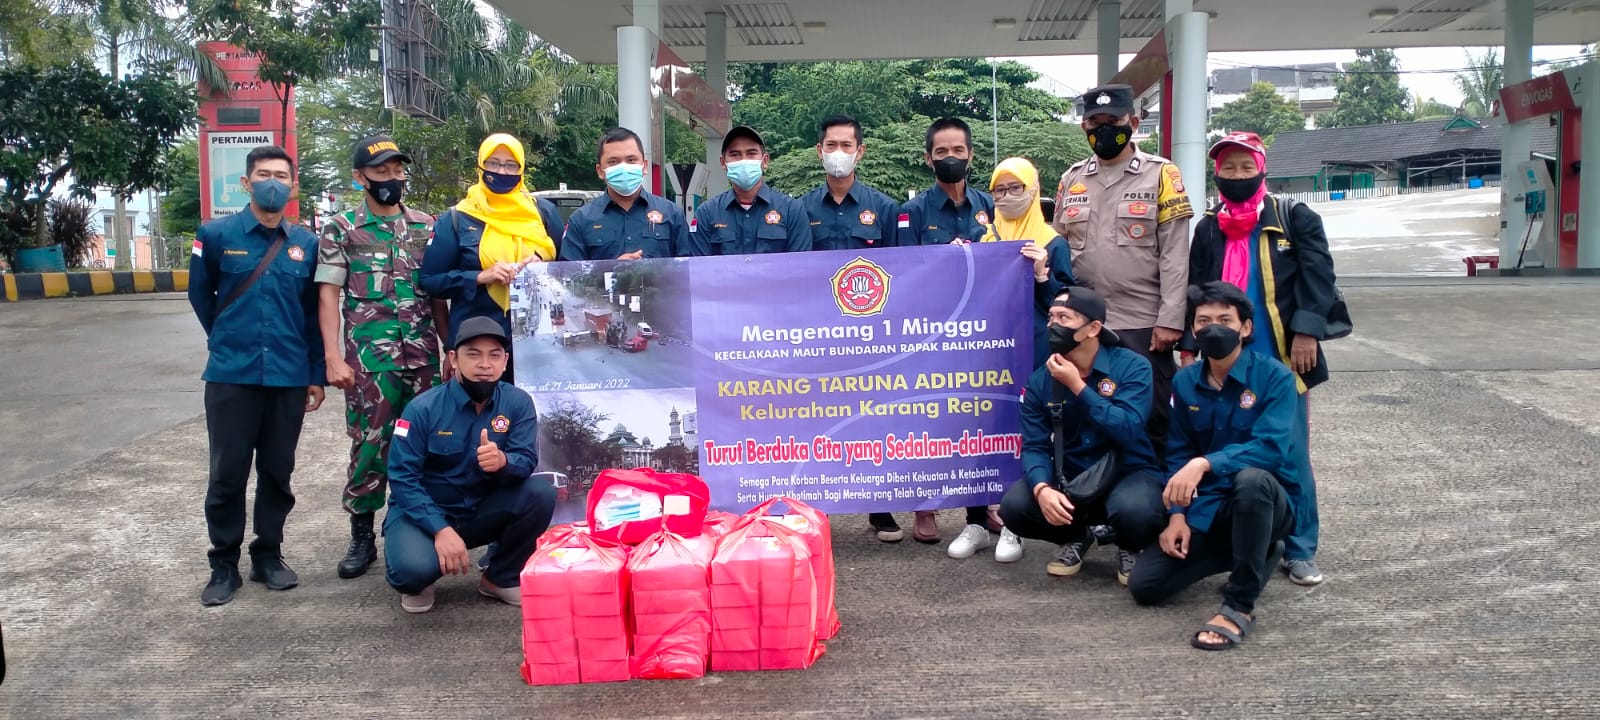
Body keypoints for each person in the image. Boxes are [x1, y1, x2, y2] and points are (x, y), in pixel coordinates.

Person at [1186, 131, 1339, 586]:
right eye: (1228, 168)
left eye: (1245, 167)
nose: (1237, 176)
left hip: (1282, 353)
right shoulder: (1208, 227)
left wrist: (1307, 333)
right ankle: (1234, 539)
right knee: (1220, 446)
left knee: (1289, 451)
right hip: (1222, 353)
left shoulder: (1295, 217)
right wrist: (1191, 345)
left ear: (1262, 169)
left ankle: (1300, 547)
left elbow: (1318, 277)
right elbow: (1196, 288)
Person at [188, 145, 327, 607]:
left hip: (288, 375)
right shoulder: (214, 234)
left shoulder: (306, 244)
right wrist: (227, 337)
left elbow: (311, 314)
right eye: (263, 174)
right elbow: (201, 296)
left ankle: (268, 554)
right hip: (232, 375)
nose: (273, 182)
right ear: (246, 183)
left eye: (281, 176)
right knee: (227, 473)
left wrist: (315, 374)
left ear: (293, 185)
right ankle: (223, 563)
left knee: (277, 472)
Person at [1128, 281, 1301, 651]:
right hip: (1211, 506)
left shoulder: (1275, 378)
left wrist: (1205, 463)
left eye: (1225, 320)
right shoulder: (1185, 381)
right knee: (1146, 587)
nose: (1213, 328)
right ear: (1193, 329)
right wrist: (1177, 516)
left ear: (1246, 327)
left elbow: (1271, 449)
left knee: (1252, 481)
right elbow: (1177, 452)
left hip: (1266, 502)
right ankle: (1257, 552)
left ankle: (1239, 605)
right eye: (1203, 321)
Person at [315, 135, 450, 580]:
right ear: (360, 177)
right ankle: (362, 536)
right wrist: (332, 358)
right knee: (370, 447)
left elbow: (436, 296)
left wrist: (449, 347)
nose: (392, 178)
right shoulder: (341, 228)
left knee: (431, 445)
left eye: (397, 170)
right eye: (381, 171)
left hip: (423, 358)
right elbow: (328, 295)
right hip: (371, 363)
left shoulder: (426, 226)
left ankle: (422, 528)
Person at [382, 316, 556, 613]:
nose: (484, 364)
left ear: (505, 361)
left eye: (494, 355)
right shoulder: (422, 408)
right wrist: (440, 529)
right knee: (411, 572)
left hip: (479, 510)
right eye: (473, 354)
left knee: (541, 494)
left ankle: (500, 578)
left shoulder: (517, 403)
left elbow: (526, 460)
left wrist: (503, 461)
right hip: (425, 513)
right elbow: (402, 477)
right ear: (453, 359)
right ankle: (422, 570)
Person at [1052, 84, 1192, 453]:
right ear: (1084, 126)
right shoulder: (1071, 179)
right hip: (1085, 324)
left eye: (1112, 122)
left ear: (1132, 122)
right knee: (1089, 412)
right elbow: (1059, 247)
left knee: (1153, 416)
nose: (1103, 130)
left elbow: (1175, 254)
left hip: (1143, 321)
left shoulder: (1161, 174)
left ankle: (1157, 487)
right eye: (1095, 122)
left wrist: (1171, 319)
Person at [994, 287, 1165, 582]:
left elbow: (1128, 428)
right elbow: (1034, 446)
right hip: (1072, 477)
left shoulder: (1133, 366)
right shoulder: (1040, 380)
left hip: (1127, 472)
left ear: (1093, 328)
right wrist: (1042, 488)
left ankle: (1130, 544)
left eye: (1064, 317)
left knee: (1136, 511)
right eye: (1051, 317)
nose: (1053, 325)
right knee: (1015, 507)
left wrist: (1078, 386)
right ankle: (1077, 537)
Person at [420, 133, 556, 386]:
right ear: (481, 166)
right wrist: (481, 276)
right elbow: (430, 281)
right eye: (493, 163)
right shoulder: (458, 218)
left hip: (537, 344)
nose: (502, 171)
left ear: (521, 169)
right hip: (478, 348)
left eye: (510, 165)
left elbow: (566, 267)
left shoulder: (543, 213)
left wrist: (541, 264)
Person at [981, 156, 1078, 368]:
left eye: (1016, 188)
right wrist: (957, 255)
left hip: (1035, 347)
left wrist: (1042, 275)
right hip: (988, 342)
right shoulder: (981, 238)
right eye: (999, 190)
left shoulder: (1053, 244)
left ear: (1033, 190)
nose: (1007, 195)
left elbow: (1067, 304)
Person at [558, 127, 700, 261]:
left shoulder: (672, 214)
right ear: (600, 171)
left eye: (631, 160)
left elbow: (687, 270)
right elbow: (569, 274)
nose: (623, 167)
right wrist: (611, 270)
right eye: (613, 162)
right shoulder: (580, 221)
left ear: (644, 166)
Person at [692, 125, 813, 254]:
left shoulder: (792, 210)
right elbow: (700, 265)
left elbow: (800, 263)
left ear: (765, 160)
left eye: (751, 153)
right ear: (723, 162)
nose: (744, 160)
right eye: (735, 154)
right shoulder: (706, 213)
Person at [799, 115, 900, 253]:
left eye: (846, 145)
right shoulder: (801, 209)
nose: (838, 152)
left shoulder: (885, 208)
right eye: (831, 145)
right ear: (820, 151)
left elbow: (896, 260)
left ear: (860, 151)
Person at [896, 117, 995, 247]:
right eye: (941, 151)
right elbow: (907, 258)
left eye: (958, 150)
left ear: (970, 155)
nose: (950, 157)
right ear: (928, 158)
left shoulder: (991, 206)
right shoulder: (912, 212)